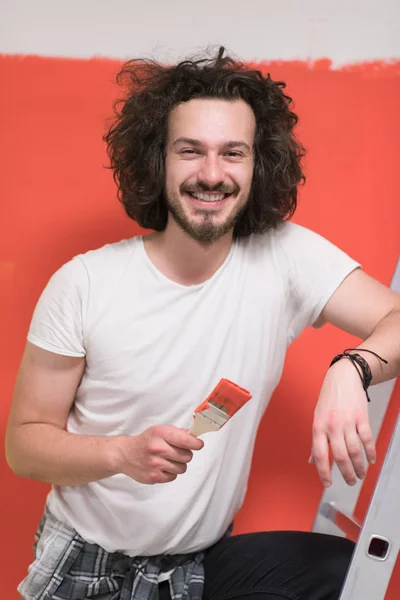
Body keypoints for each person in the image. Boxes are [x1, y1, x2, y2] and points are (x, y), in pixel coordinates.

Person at [6, 46, 400, 600]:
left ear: (257, 164)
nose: (212, 175)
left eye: (232, 153)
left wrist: (352, 368)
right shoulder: (85, 283)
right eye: (190, 151)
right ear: (157, 160)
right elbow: (24, 446)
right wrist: (121, 453)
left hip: (196, 569)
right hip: (86, 566)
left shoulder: (283, 257)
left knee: (340, 569)